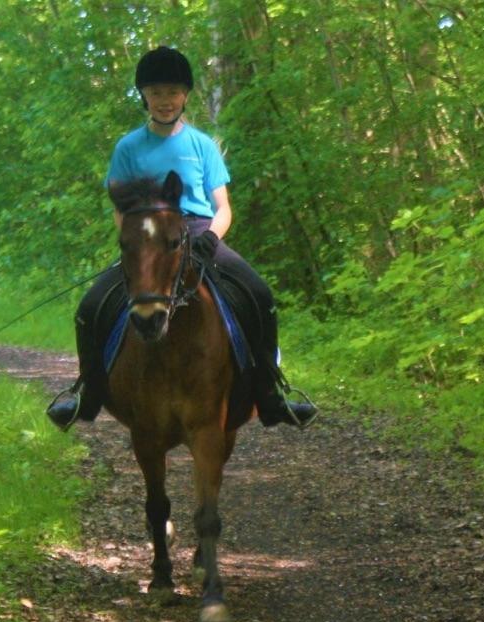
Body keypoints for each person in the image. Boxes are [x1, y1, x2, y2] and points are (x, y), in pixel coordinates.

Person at [47, 45, 317, 430]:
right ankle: (86, 396)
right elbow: (120, 207)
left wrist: (211, 237)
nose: (164, 101)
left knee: (259, 295)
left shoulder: (202, 146)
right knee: (90, 307)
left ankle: (272, 394)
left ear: (186, 95)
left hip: (199, 232)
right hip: (147, 240)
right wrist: (133, 242)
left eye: (172, 92)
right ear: (144, 96)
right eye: (156, 93)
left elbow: (223, 207)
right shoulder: (128, 148)